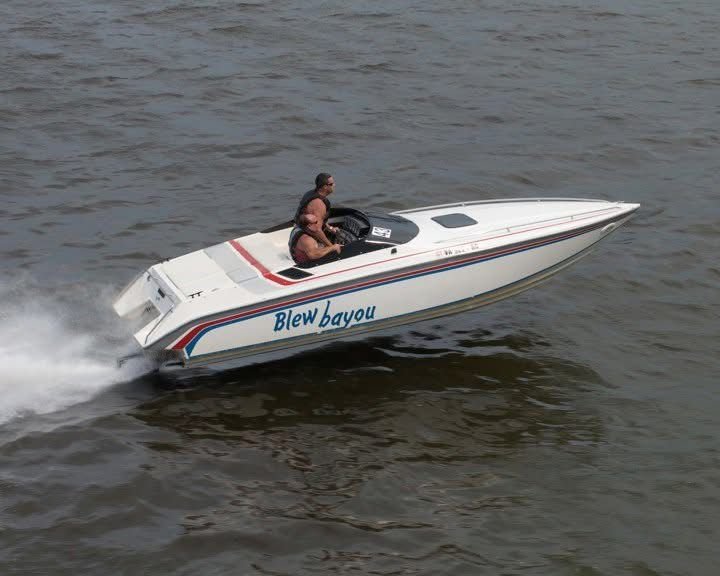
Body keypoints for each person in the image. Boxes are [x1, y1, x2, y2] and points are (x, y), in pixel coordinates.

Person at [294, 173, 339, 247]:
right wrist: (331, 247)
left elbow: (319, 219)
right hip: (305, 240)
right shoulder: (318, 204)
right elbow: (317, 230)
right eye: (331, 184)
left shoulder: (310, 193)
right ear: (325, 186)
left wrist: (330, 228)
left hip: (298, 230)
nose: (334, 185)